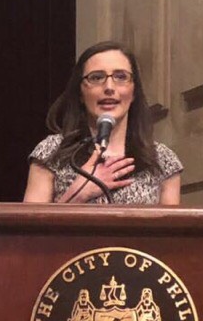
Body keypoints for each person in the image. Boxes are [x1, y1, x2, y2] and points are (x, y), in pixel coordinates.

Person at [23, 41, 181, 205]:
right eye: (96, 78)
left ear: (134, 92)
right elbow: (29, 228)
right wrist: (78, 194)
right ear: (80, 94)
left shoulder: (162, 159)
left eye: (121, 77)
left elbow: (170, 229)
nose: (109, 87)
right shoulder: (51, 151)